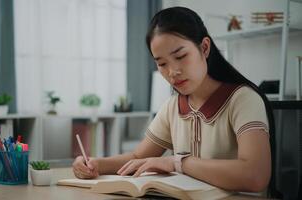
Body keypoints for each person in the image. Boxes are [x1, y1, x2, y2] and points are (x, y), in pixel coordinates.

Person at [72, 6, 278, 196]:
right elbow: (137, 156)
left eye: (180, 56)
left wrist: (177, 163)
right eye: (162, 63)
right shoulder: (173, 106)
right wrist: (96, 164)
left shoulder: (243, 99)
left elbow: (255, 175)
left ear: (204, 48)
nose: (173, 72)